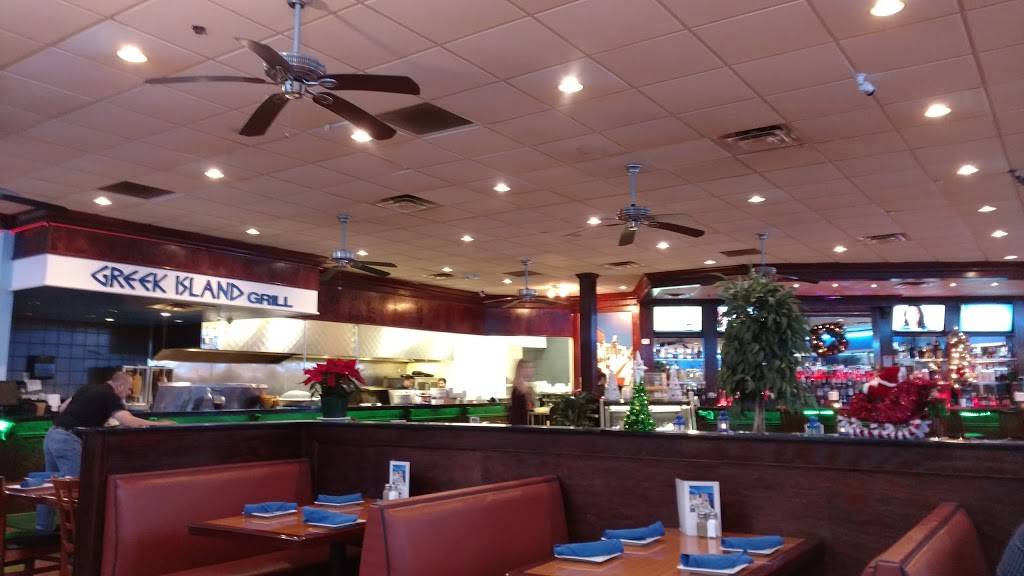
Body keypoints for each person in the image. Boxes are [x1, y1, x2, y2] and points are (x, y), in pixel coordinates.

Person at [37, 372, 172, 530]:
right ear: (120, 386)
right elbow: (129, 421)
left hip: (52, 434)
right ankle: (77, 534)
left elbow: (62, 408)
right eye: (129, 388)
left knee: (51, 485)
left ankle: (43, 529)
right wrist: (162, 424)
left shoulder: (88, 388)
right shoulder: (110, 396)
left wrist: (93, 418)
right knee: (76, 488)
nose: (129, 392)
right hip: (68, 440)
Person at [509, 359, 535, 426]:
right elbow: (529, 405)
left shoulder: (523, 384)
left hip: (521, 421)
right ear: (520, 370)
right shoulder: (520, 385)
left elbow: (530, 406)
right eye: (527, 367)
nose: (531, 370)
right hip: (518, 423)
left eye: (531, 367)